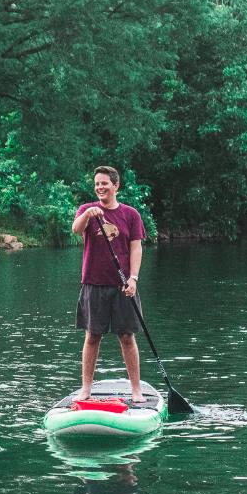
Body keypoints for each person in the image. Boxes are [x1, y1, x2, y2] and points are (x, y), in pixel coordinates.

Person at [72, 166, 146, 402]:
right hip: (93, 283)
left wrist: (133, 278)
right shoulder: (86, 210)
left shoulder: (131, 214)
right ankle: (86, 389)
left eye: (104, 183)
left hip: (124, 286)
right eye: (97, 184)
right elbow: (76, 230)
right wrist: (88, 215)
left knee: (126, 336)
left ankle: (136, 390)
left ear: (116, 186)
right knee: (92, 335)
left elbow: (136, 247)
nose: (100, 187)